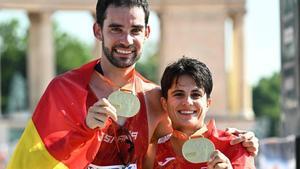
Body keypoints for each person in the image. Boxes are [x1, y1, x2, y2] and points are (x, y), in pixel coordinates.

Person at [7, 1, 258, 169]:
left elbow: (187, 147)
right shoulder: (63, 90)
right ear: (98, 30)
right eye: (116, 29)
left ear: (147, 33)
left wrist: (236, 145)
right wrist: (82, 131)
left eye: (135, 30)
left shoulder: (155, 99)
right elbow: (30, 162)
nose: (126, 40)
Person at [150, 57, 256, 169]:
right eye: (179, 94)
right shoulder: (151, 151)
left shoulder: (235, 146)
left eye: (196, 95)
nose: (188, 102)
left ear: (208, 103)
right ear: (164, 103)